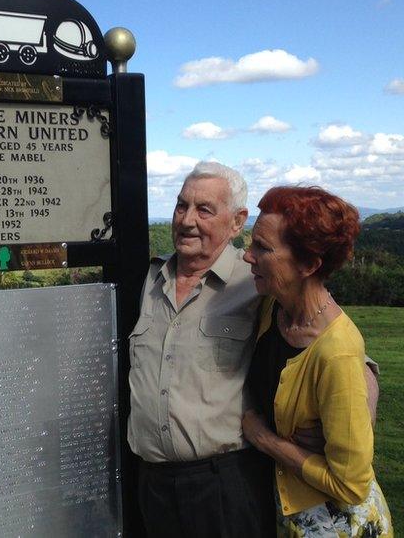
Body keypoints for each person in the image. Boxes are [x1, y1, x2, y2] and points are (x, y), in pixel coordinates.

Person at [128, 162, 275, 536]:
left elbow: (317, 330)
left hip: (222, 484)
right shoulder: (148, 278)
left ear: (237, 221)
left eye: (204, 209)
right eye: (181, 206)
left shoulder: (255, 282)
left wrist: (363, 380)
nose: (187, 220)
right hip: (152, 483)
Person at [241, 186, 392, 537]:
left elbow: (351, 485)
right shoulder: (274, 307)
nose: (248, 256)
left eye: (262, 248)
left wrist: (264, 438)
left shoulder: (335, 350)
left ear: (308, 265)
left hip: (337, 528)